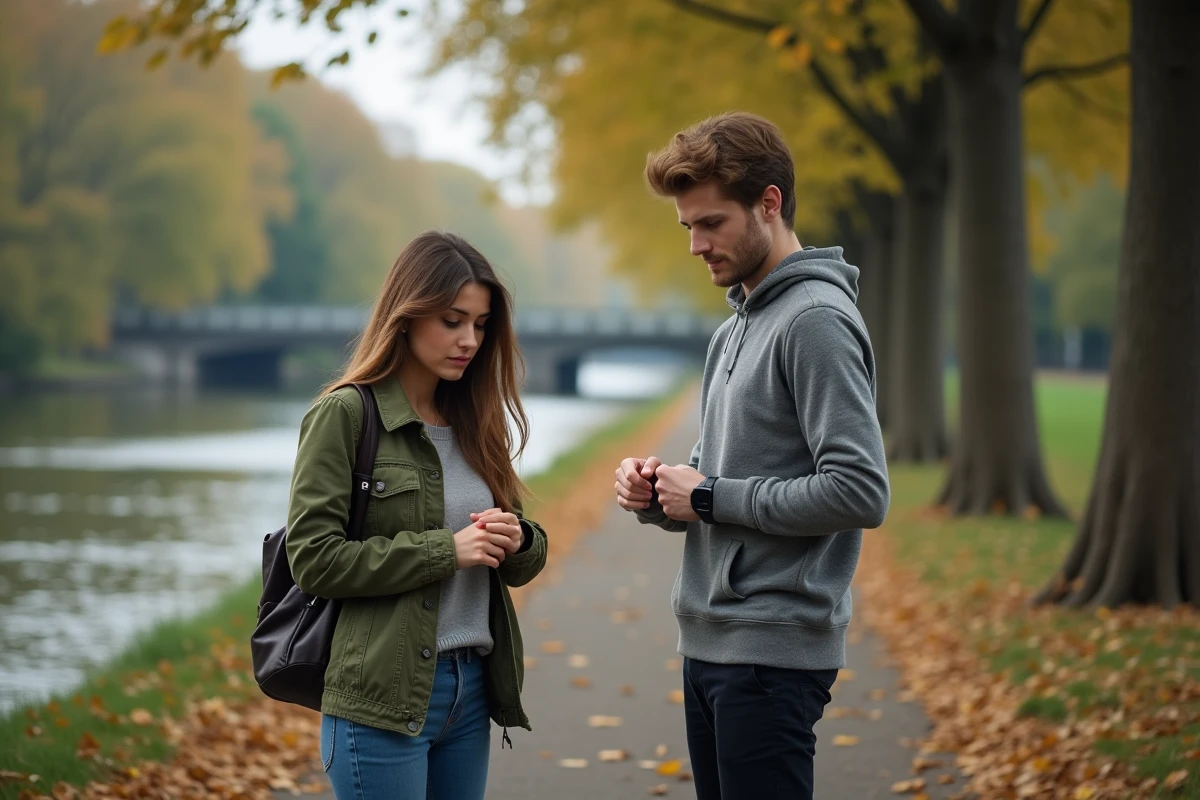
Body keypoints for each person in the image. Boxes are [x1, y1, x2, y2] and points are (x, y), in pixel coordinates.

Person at [614, 112, 890, 800]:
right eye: (687, 227)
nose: (695, 245)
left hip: (770, 651)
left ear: (769, 203)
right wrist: (662, 498)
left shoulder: (814, 321)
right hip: (710, 642)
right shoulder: (734, 329)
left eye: (712, 223)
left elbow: (860, 490)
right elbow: (714, 485)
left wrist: (709, 496)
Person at [286, 231, 547, 799]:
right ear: (406, 315)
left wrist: (518, 539)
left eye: (479, 325)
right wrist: (445, 551)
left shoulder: (480, 421)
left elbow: (521, 561)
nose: (470, 340)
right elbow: (312, 560)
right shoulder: (346, 414)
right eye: (452, 321)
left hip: (472, 691)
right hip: (381, 697)